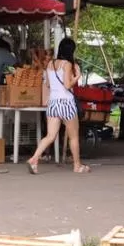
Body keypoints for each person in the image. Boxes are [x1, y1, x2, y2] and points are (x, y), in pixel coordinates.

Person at [26, 37, 90, 174]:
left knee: (50, 136)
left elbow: (48, 84)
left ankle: (34, 158)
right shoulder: (67, 64)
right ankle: (77, 166)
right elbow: (67, 85)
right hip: (66, 103)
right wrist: (77, 77)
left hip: (53, 103)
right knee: (74, 137)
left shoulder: (51, 64)